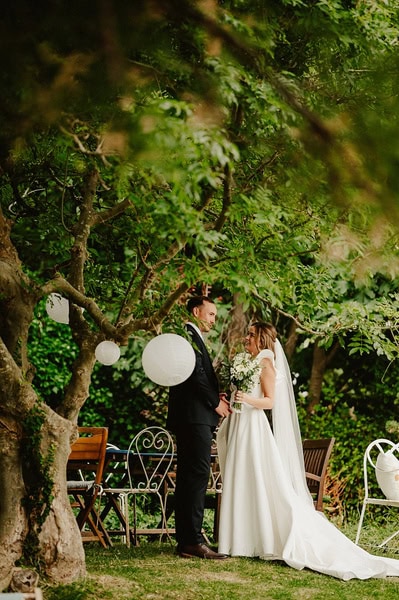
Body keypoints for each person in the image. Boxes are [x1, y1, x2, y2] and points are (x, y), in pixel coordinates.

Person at [217, 321, 399, 580]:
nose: (246, 337)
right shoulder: (247, 363)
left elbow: (269, 402)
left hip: (254, 430)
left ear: (262, 340)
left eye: (251, 334)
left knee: (256, 481)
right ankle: (238, 540)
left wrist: (246, 399)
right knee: (241, 480)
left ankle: (258, 541)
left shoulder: (266, 364)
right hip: (240, 425)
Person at [167, 295, 230, 559]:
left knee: (189, 477)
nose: (214, 320)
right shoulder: (188, 335)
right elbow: (196, 376)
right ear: (196, 311)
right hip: (194, 418)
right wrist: (216, 403)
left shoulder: (189, 336)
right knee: (197, 475)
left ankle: (186, 540)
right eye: (211, 314)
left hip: (191, 417)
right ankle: (192, 540)